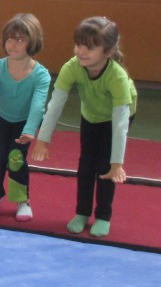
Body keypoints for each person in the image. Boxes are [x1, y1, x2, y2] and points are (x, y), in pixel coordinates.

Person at [32, 16, 137, 238]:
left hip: (117, 117)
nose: (81, 51)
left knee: (105, 167)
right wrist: (43, 140)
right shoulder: (72, 68)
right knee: (86, 165)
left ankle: (103, 216)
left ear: (108, 52)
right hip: (91, 115)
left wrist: (117, 164)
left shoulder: (117, 77)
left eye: (89, 47)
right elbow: (55, 105)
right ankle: (82, 212)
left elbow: (120, 124)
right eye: (78, 44)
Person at [0, 13, 50, 222]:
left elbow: (38, 105)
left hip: (24, 121)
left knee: (15, 159)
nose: (13, 44)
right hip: (0, 117)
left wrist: (30, 130)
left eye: (20, 40)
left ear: (33, 42)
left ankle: (22, 200)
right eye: (10, 39)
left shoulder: (41, 75)